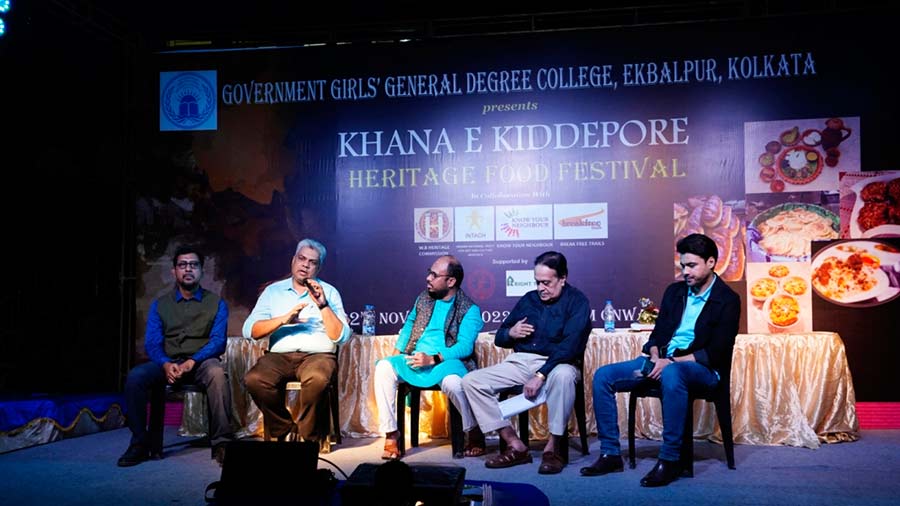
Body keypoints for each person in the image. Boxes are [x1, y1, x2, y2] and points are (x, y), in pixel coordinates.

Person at [581, 233, 740, 487]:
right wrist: (656, 355)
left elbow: (716, 352)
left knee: (672, 373)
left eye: (691, 265)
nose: (685, 271)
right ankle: (611, 453)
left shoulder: (728, 300)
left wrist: (671, 363)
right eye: (682, 265)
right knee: (604, 376)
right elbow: (658, 334)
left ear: (711, 262)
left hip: (704, 370)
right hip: (663, 361)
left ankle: (670, 460)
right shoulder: (675, 292)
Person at [461, 251, 591, 474]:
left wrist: (541, 375)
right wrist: (511, 332)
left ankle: (554, 448)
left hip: (558, 363)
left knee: (564, 376)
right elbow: (500, 337)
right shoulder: (529, 299)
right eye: (538, 282)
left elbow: (570, 347)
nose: (541, 288)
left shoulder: (578, 302)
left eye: (547, 283)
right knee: (471, 381)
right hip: (521, 362)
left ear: (563, 278)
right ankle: (515, 445)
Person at [118, 245, 233, 467]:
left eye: (193, 265)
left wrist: (192, 361)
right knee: (135, 377)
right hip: (168, 362)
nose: (188, 269)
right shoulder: (160, 304)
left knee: (217, 374)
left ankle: (222, 444)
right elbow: (152, 342)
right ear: (174, 271)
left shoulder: (216, 303)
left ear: (201, 271)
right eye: (182, 265)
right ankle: (140, 443)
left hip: (200, 363)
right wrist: (164, 364)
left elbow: (218, 341)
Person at [374, 255, 485, 460]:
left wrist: (434, 358)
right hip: (416, 359)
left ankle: (473, 431)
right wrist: (397, 356)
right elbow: (409, 325)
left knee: (454, 383)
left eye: (434, 275)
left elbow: (465, 347)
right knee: (383, 368)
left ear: (451, 281)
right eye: (429, 272)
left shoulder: (470, 309)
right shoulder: (423, 298)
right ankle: (391, 434)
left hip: (447, 362)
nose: (428, 278)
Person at [243, 238, 351, 443]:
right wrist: (283, 320)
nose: (305, 265)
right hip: (279, 357)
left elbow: (342, 336)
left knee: (318, 379)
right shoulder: (273, 291)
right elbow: (250, 330)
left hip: (318, 356)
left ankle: (307, 439)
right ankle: (284, 426)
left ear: (318, 268)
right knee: (254, 379)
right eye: (302, 259)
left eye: (312, 262)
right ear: (293, 260)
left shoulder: (329, 292)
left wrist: (322, 305)